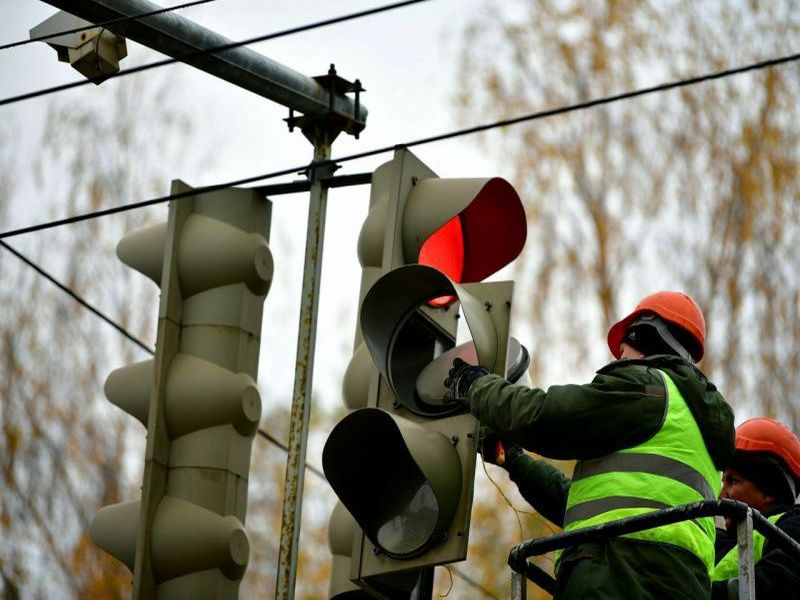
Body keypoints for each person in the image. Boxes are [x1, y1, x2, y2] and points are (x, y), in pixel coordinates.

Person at [445, 291, 735, 599]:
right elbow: (584, 506)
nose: (620, 363)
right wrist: (513, 460)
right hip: (676, 583)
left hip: (619, 575)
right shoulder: (696, 427)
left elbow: (545, 417)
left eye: (623, 355)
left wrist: (475, 385)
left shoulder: (647, 389)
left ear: (647, 336)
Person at [712, 417, 800, 599]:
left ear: (770, 490)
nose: (722, 494)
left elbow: (776, 584)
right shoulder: (717, 541)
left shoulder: (793, 526)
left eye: (732, 481)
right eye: (723, 481)